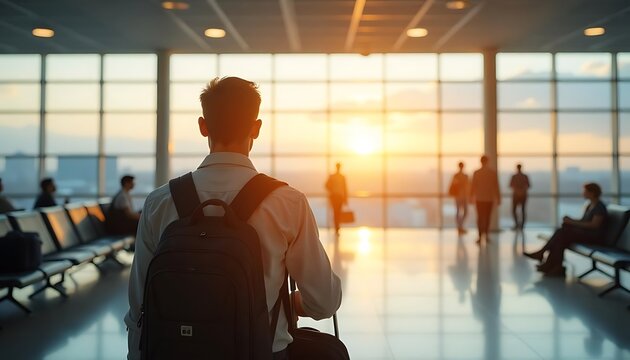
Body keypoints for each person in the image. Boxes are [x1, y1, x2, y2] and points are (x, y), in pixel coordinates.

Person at [124, 77, 342, 359]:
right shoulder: (287, 203)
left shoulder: (159, 201)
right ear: (256, 128)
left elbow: (139, 303)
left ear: (203, 127)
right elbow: (324, 301)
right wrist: (291, 305)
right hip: (260, 351)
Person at [525, 183, 607, 277]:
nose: (583, 193)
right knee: (561, 237)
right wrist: (570, 220)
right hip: (586, 234)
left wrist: (572, 222)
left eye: (585, 191)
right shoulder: (590, 205)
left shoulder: (599, 207)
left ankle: (545, 258)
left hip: (593, 237)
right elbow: (584, 221)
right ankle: (553, 265)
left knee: (561, 233)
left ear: (592, 193)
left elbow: (594, 225)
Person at [469, 155, 501, 244]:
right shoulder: (492, 173)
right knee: (487, 217)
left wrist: (471, 197)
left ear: (481, 162)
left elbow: (473, 186)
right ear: (487, 162)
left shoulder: (477, 172)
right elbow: (496, 186)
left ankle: (480, 236)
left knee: (479, 217)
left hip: (479, 198)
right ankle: (486, 235)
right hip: (489, 198)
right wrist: (498, 198)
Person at [325, 162, 348, 234]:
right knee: (337, 212)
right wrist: (345, 198)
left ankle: (336, 227)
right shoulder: (342, 177)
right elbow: (345, 188)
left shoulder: (332, 176)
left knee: (335, 212)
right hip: (339, 196)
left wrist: (332, 190)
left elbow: (326, 185)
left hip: (334, 196)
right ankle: (337, 227)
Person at [449, 162, 469, 234]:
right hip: (460, 196)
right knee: (460, 212)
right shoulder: (460, 176)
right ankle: (460, 227)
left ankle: (460, 226)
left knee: (462, 212)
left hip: (461, 196)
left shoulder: (459, 176)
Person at [510, 163, 530, 230]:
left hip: (516, 195)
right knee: (523, 210)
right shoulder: (525, 176)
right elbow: (528, 185)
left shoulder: (514, 176)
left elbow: (511, 185)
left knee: (515, 210)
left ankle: (517, 224)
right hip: (523, 195)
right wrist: (522, 191)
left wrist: (517, 191)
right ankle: (521, 225)